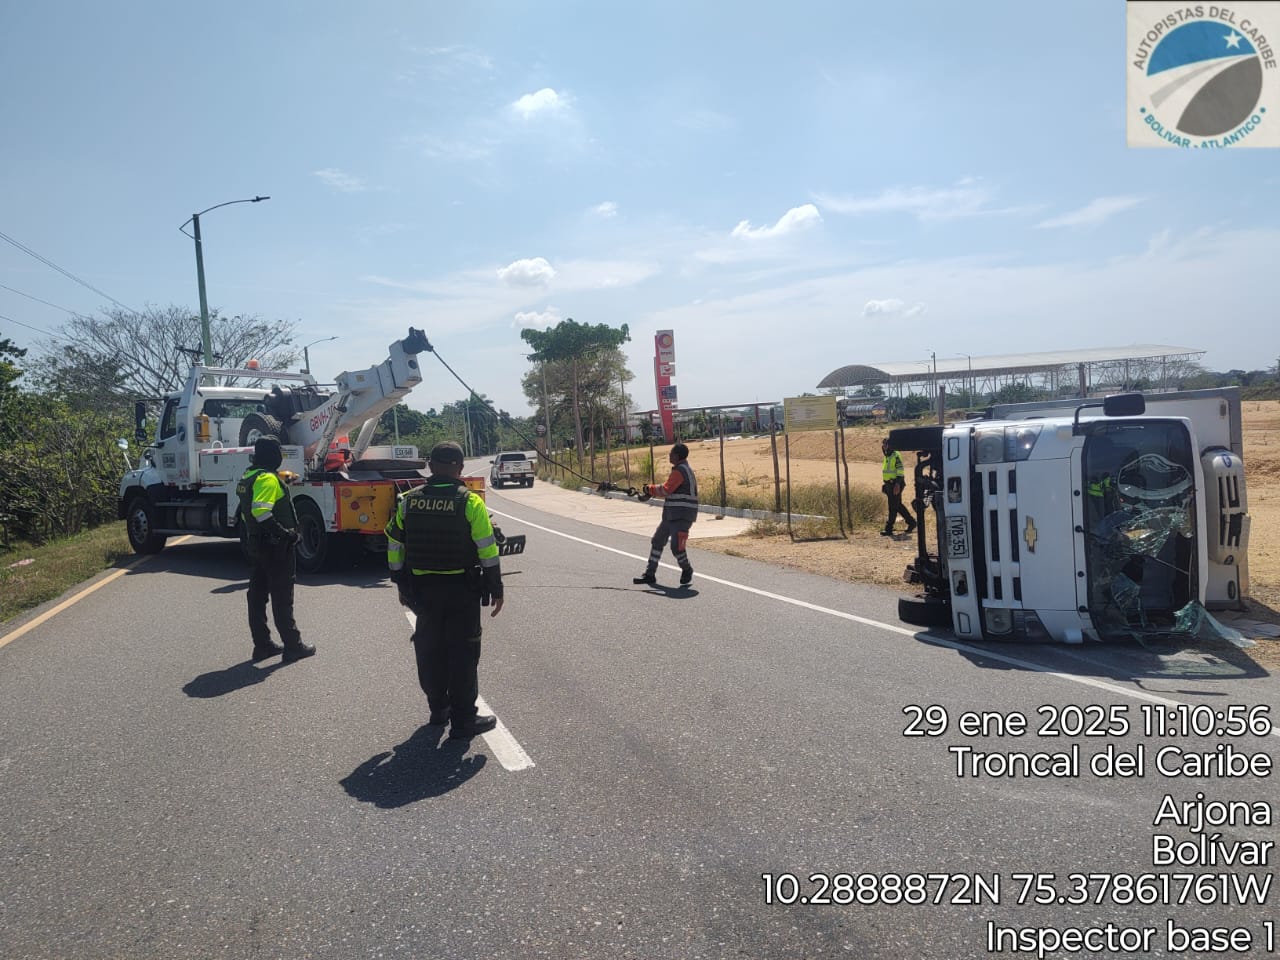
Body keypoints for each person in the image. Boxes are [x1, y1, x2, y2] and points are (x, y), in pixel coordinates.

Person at [384, 441, 505, 740]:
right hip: (462, 590)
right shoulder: (470, 502)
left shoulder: (407, 501)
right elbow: (487, 550)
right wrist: (496, 587)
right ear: (460, 469)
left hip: (423, 592)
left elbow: (395, 545)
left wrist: (400, 583)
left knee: (430, 650)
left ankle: (438, 710)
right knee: (463, 654)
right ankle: (464, 722)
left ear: (431, 466)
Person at [236, 436, 316, 663]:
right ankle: (293, 646)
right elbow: (261, 512)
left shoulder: (248, 476)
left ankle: (262, 646)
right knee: (282, 598)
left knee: (257, 596)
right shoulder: (268, 479)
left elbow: (246, 513)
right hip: (276, 548)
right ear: (273, 455)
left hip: (257, 545)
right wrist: (286, 533)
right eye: (278, 452)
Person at [632, 442, 698, 586]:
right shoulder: (681, 470)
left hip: (681, 515)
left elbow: (666, 489)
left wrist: (649, 489)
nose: (669, 455)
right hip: (671, 515)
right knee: (657, 541)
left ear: (677, 456)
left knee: (676, 547)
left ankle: (687, 569)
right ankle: (650, 574)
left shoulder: (680, 471)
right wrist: (650, 491)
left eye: (671, 453)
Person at [880, 438, 916, 537]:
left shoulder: (895, 455)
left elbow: (900, 471)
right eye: (883, 444)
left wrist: (897, 484)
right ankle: (912, 522)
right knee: (898, 505)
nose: (884, 446)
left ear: (890, 445)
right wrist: (885, 484)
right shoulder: (888, 455)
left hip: (896, 484)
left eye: (885, 444)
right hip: (889, 484)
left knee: (893, 507)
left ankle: (889, 529)